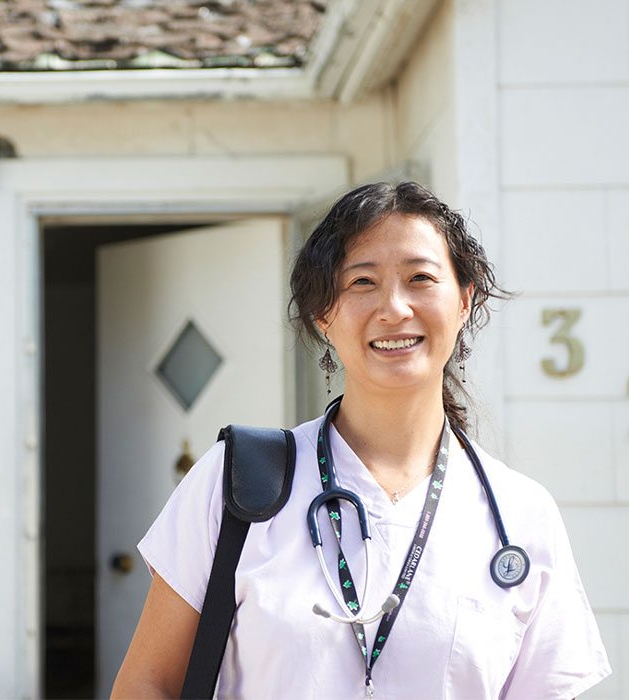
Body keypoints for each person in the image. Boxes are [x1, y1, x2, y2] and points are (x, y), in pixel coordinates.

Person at [111, 182, 611, 699]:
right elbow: (147, 684)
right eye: (362, 282)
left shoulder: (521, 515)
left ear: (465, 299)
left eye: (420, 278)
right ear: (323, 314)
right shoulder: (235, 482)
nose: (394, 308)